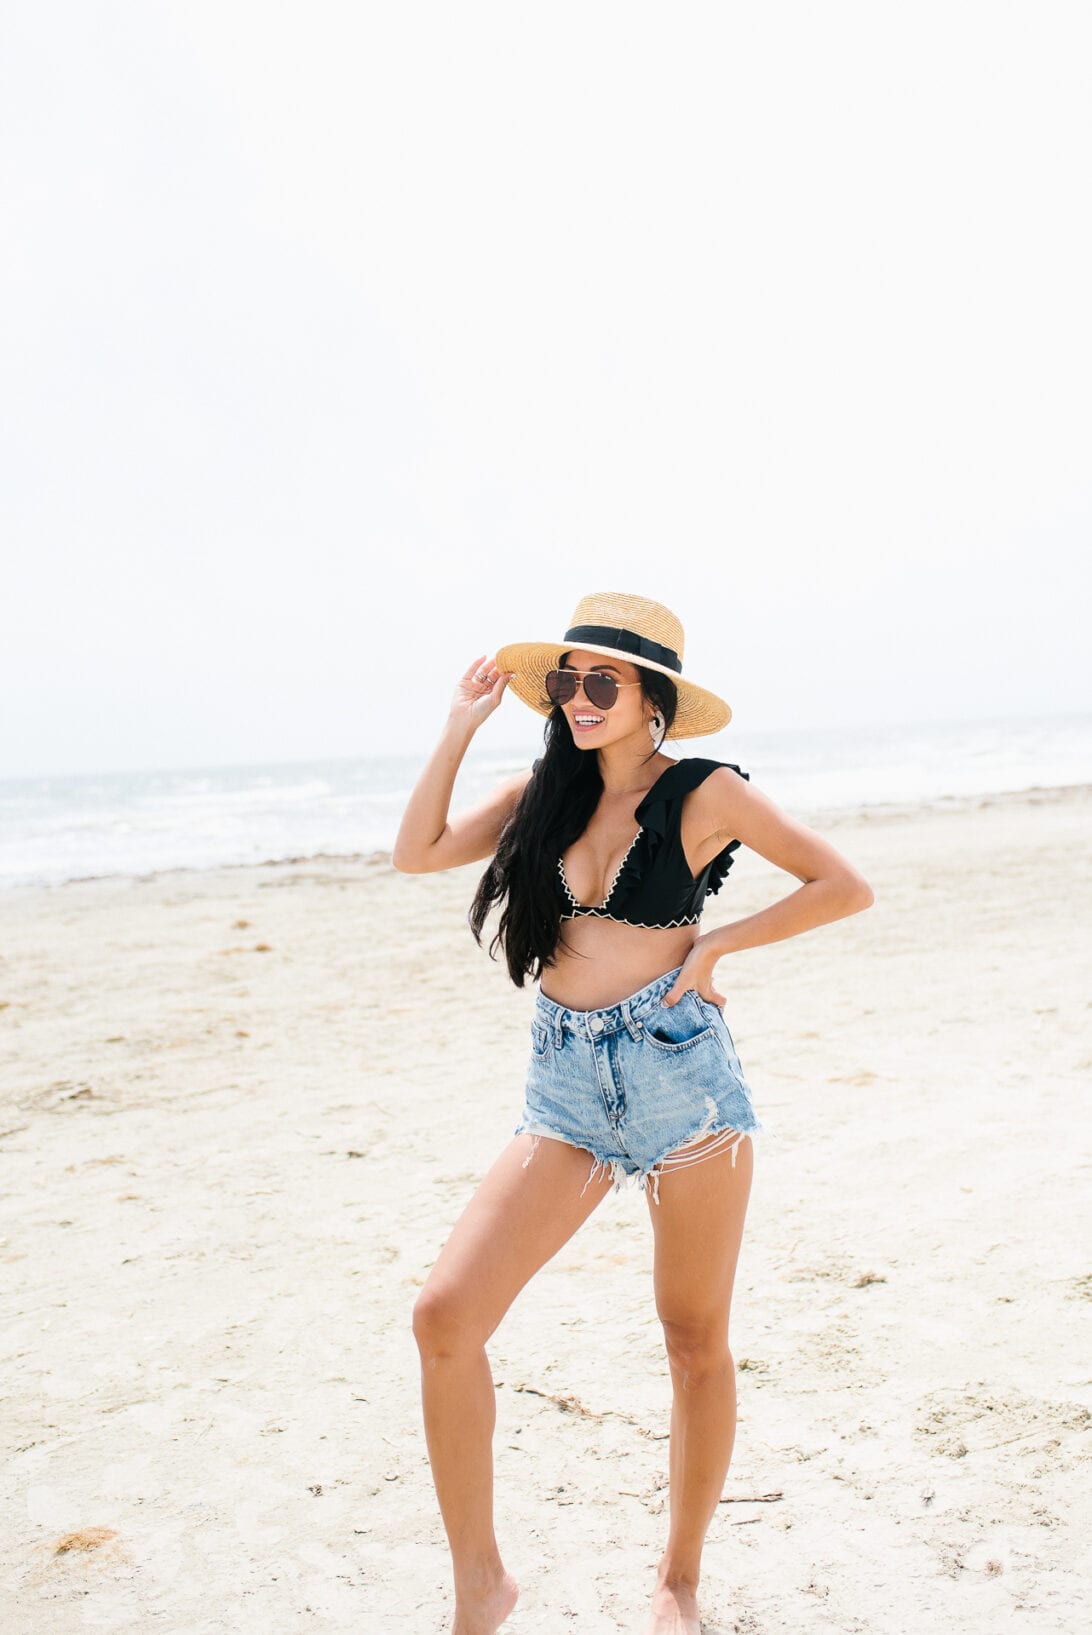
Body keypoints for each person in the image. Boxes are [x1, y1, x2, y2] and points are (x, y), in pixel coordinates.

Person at [392, 591, 874, 1635]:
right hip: (563, 1085)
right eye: (563, 680)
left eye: (597, 680)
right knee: (445, 1317)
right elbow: (418, 852)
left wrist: (714, 949)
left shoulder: (706, 794)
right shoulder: (542, 794)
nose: (575, 697)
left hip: (679, 1075)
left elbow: (843, 886)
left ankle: (680, 1584)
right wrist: (458, 728)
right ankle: (482, 1585)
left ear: (651, 696)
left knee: (693, 1336)